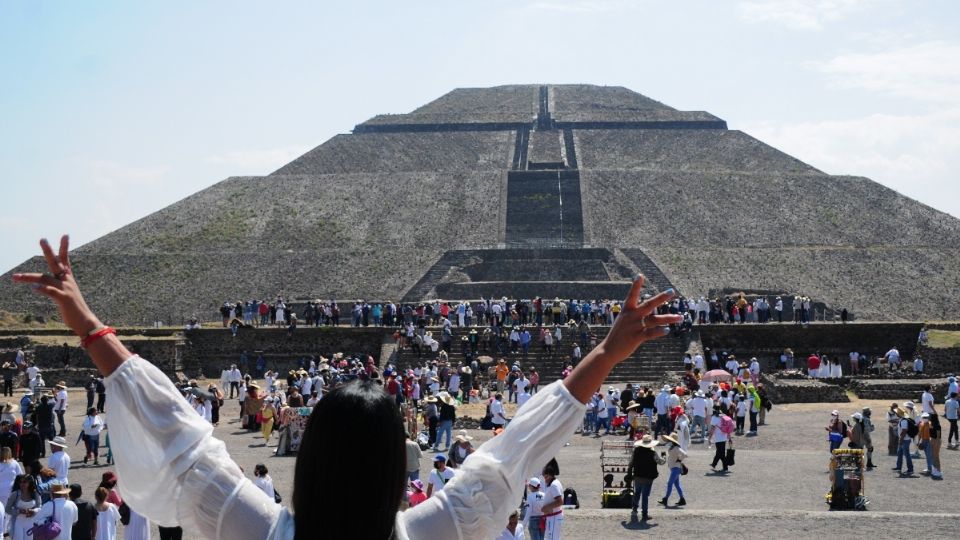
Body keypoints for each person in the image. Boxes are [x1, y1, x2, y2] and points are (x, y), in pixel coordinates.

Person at [11, 241, 680, 539]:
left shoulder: (249, 524)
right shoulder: (440, 526)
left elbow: (175, 430)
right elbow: (523, 442)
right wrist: (609, 349)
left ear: (314, 460)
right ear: (398, 468)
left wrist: (87, 322)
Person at [627, 434, 664, 522]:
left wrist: (629, 474)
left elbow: (631, 463)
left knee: (637, 493)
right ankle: (644, 515)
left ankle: (634, 509)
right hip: (648, 477)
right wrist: (664, 457)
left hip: (637, 476)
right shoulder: (652, 453)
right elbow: (660, 462)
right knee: (645, 496)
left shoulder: (636, 451)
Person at [6, 475, 42, 540]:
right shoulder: (15, 494)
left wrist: (33, 511)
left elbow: (40, 507)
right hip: (17, 523)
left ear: (30, 483)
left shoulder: (35, 493)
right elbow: (7, 509)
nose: (22, 484)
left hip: (31, 523)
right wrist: (19, 511)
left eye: (24, 482)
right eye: (20, 482)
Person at [657, 433, 687, 506]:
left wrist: (679, 460)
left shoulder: (676, 448)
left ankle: (665, 499)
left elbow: (684, 454)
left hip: (675, 468)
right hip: (674, 468)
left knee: (670, 483)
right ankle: (682, 499)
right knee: (677, 485)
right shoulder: (674, 447)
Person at [539, 460, 564, 539]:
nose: (545, 479)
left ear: (551, 475)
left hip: (554, 516)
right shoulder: (553, 483)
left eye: (546, 477)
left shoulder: (554, 485)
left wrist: (546, 507)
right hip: (552, 516)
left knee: (552, 538)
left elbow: (560, 501)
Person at [708, 406, 731, 472]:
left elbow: (712, 429)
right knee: (719, 452)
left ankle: (725, 467)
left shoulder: (714, 418)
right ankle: (714, 464)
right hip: (724, 437)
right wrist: (729, 437)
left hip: (718, 438)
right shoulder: (724, 416)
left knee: (721, 453)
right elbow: (728, 428)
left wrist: (709, 438)